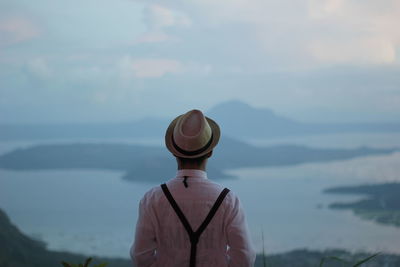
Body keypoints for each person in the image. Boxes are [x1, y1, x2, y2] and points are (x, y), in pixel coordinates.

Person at [130, 109, 256, 267]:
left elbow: (140, 256)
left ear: (174, 153)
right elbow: (245, 257)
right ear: (210, 152)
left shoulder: (153, 199)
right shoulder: (228, 200)